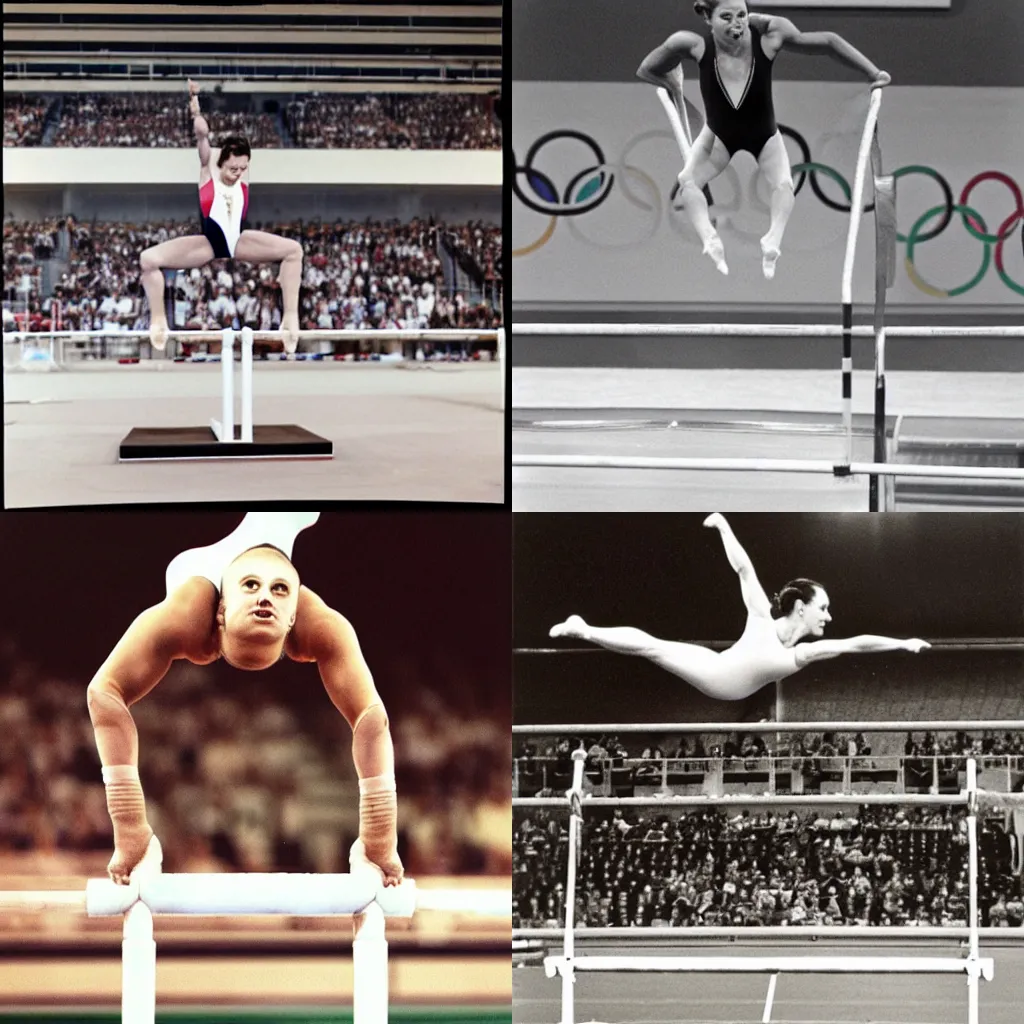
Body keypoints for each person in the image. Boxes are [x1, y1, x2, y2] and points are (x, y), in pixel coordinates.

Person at [86, 512, 402, 888]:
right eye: (251, 586)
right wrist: (130, 824)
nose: (265, 596)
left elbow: (372, 719)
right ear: (220, 609)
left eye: (280, 590)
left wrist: (381, 837)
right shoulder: (188, 614)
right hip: (234, 544)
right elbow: (103, 694)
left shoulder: (322, 626)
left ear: (293, 617)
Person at [548, 513, 929, 701]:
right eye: (823, 608)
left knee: (653, 648)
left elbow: (855, 643)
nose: (829, 616)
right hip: (716, 672)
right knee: (652, 646)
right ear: (801, 609)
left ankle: (585, 629)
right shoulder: (763, 617)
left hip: (723, 678)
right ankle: (584, 629)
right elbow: (744, 568)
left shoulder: (802, 653)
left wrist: (901, 642)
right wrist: (724, 526)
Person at [637, 0, 890, 278]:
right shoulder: (692, 45)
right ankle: (710, 239)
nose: (737, 24)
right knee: (688, 182)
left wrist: (873, 73)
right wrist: (673, 85)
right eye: (727, 17)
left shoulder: (770, 36)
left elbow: (828, 41)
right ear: (707, 17)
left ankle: (773, 241)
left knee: (783, 185)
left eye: (742, 15)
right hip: (719, 137)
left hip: (764, 136)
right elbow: (647, 70)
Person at [138, 80, 304, 353]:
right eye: (233, 168)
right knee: (148, 259)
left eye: (243, 168)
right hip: (208, 244)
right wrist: (195, 105)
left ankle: (290, 317)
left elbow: (240, 161)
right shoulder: (208, 170)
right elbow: (202, 135)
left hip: (240, 241)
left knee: (294, 251)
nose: (238, 173)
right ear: (220, 163)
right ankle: (158, 319)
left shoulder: (242, 176)